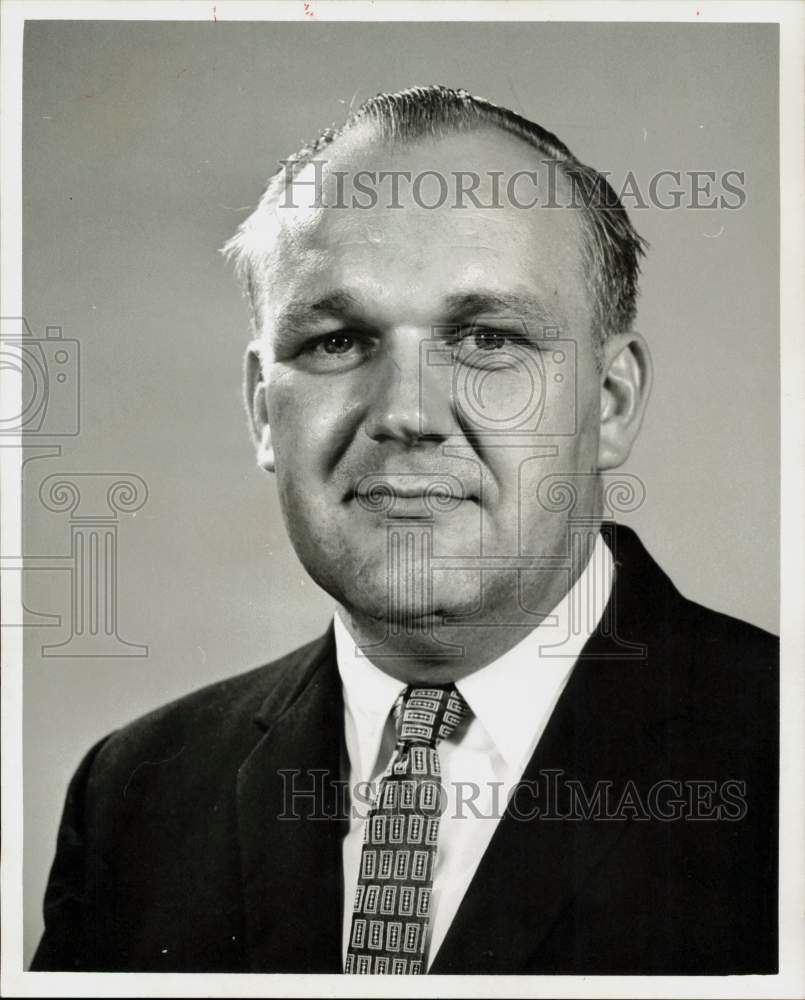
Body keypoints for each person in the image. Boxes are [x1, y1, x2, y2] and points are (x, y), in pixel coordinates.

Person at [31, 86, 778, 975]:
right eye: (339, 342)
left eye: (488, 339)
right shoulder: (136, 791)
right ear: (262, 412)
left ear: (609, 402)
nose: (408, 414)